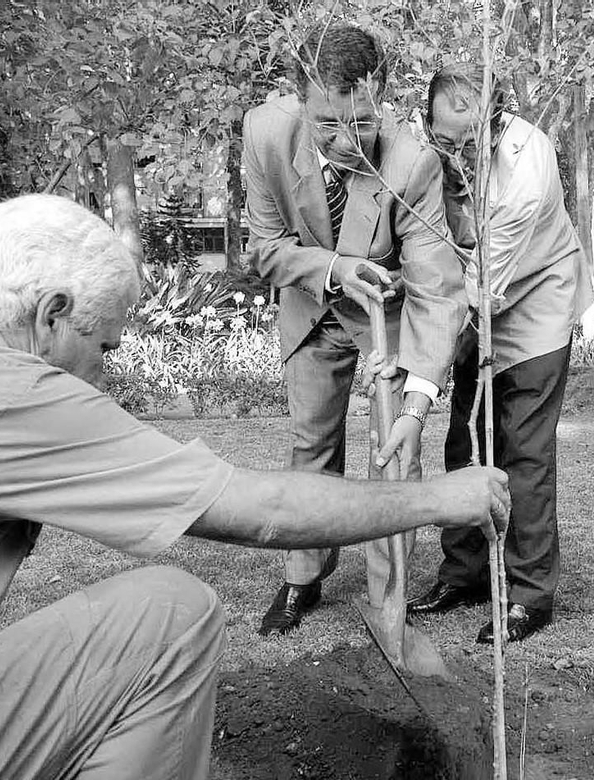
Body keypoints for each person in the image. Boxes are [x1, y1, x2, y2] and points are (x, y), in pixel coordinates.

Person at [0, 193, 508, 780]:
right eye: (102, 348)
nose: (102, 376)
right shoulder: (12, 394)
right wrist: (439, 497)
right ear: (51, 316)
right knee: (171, 615)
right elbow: (263, 510)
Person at [242, 24, 465, 635]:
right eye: (327, 125)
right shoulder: (264, 134)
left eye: (361, 123)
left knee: (393, 453)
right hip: (311, 308)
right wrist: (335, 268)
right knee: (310, 445)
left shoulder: (413, 163)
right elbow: (265, 249)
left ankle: (387, 597)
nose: (345, 143)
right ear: (301, 101)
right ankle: (303, 577)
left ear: (381, 97)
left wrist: (417, 406)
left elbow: (436, 289)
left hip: (384, 321)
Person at [389, 65, 594, 644]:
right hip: (469, 298)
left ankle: (528, 594)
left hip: (535, 297)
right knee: (465, 439)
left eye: (469, 142)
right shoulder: (419, 152)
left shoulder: (529, 160)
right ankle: (465, 574)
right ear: (428, 123)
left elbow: (484, 278)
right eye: (446, 141)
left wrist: (422, 372)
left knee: (523, 448)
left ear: (497, 122)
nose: (457, 156)